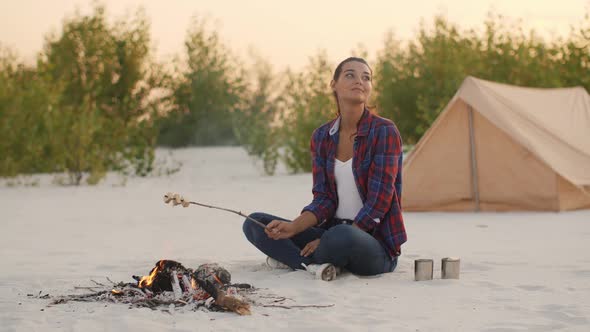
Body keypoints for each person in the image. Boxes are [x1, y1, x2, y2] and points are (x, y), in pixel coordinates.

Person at [242, 57, 406, 280]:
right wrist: (294, 227)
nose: (359, 81)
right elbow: (324, 199)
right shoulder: (322, 137)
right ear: (333, 84)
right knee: (255, 223)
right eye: (350, 75)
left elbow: (380, 201)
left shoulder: (384, 131)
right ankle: (316, 265)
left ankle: (298, 260)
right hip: (331, 231)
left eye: (366, 77)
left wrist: (325, 240)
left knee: (341, 237)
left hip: (372, 243)